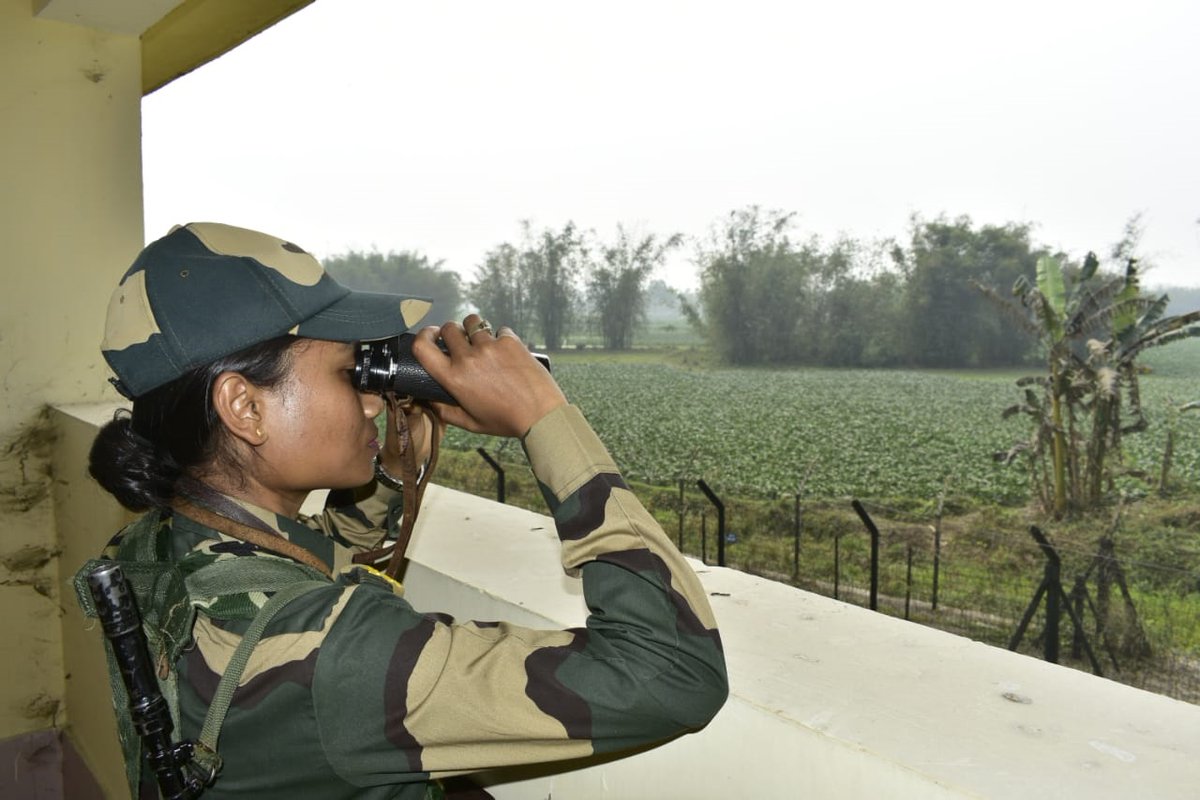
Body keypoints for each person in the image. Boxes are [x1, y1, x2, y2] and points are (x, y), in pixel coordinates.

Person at [85, 222, 727, 799]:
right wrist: (543, 418)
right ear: (244, 406)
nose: (370, 400)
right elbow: (673, 672)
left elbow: (305, 567)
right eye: (348, 372)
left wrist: (391, 465)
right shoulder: (334, 653)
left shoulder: (157, 545)